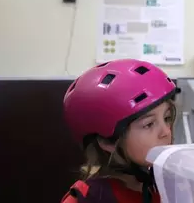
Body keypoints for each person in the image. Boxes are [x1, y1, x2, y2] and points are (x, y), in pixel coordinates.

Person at [61, 59, 178, 203]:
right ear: (107, 141)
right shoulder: (86, 198)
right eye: (149, 124)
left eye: (167, 118)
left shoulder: (174, 188)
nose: (166, 132)